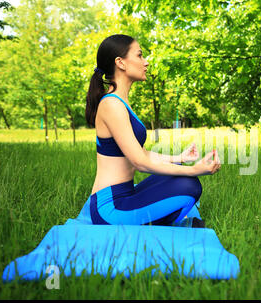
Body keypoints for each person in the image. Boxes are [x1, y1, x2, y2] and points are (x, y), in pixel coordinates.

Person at [85, 34, 221, 228]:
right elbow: (139, 162)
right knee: (189, 184)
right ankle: (163, 223)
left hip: (126, 194)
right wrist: (193, 170)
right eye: (140, 55)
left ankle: (157, 220)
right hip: (111, 209)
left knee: (179, 176)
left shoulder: (119, 102)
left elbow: (140, 153)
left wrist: (178, 157)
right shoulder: (111, 105)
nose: (146, 62)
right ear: (120, 63)